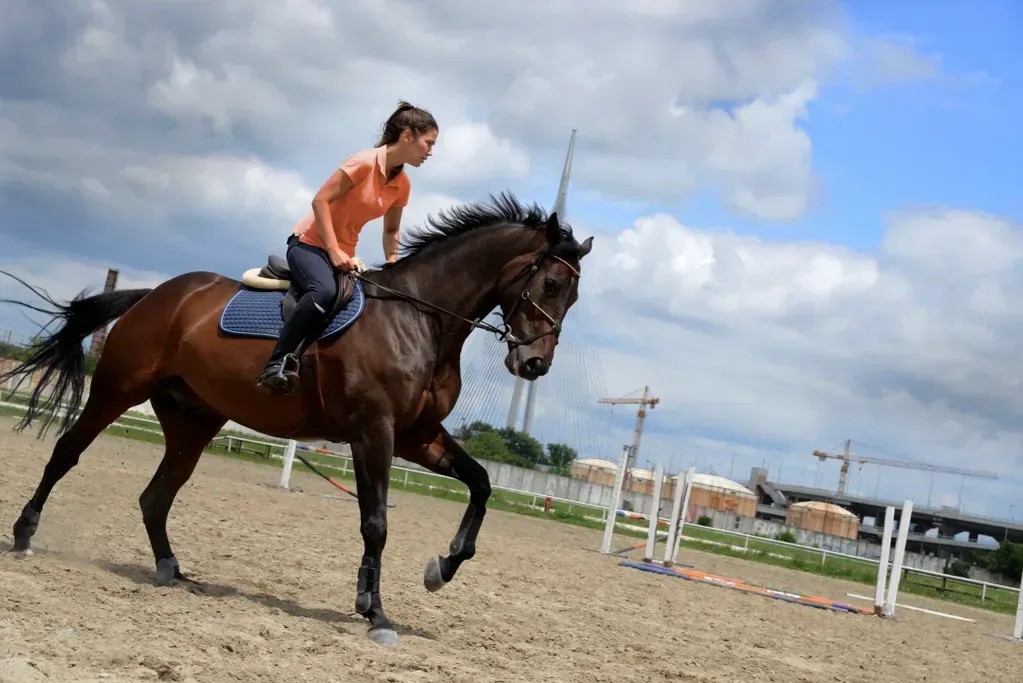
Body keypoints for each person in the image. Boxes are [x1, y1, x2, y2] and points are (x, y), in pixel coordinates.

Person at [256, 101, 439, 394]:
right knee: (324, 292)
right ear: (407, 137)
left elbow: (391, 230)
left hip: (344, 256)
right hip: (310, 245)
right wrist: (333, 250)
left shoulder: (402, 184)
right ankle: (276, 363)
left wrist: (393, 262)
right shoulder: (363, 162)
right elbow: (320, 201)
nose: (431, 151)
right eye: (428, 143)